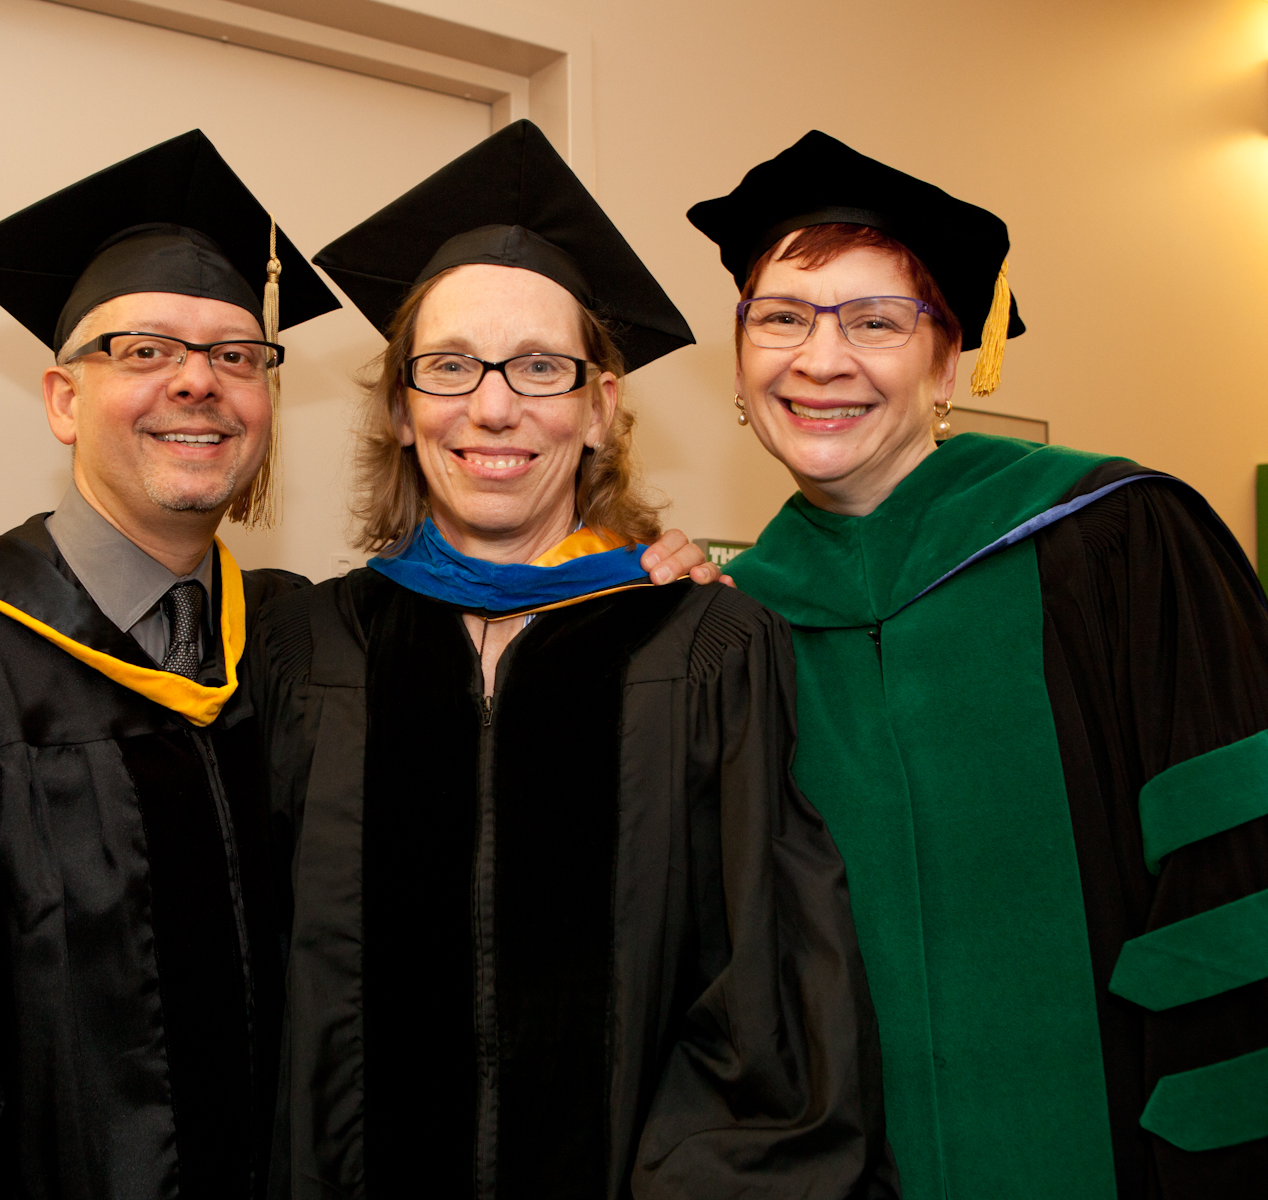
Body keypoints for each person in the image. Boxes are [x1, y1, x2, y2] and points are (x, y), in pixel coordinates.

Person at [0, 128, 719, 1200]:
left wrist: (639, 583)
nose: (198, 383)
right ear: (64, 399)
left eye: (238, 355)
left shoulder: (302, 645)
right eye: (142, 350)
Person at [690, 130, 1268, 1200]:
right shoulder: (737, 628)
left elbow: (1260, 894)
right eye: (780, 318)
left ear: (949, 358)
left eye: (877, 321)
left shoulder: (1121, 544)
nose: (819, 360)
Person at [254, 120, 896, 1199]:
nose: (493, 405)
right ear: (405, 411)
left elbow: (766, 1006)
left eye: (541, 368)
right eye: (450, 366)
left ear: (600, 410)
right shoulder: (309, 646)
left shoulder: (709, 648)